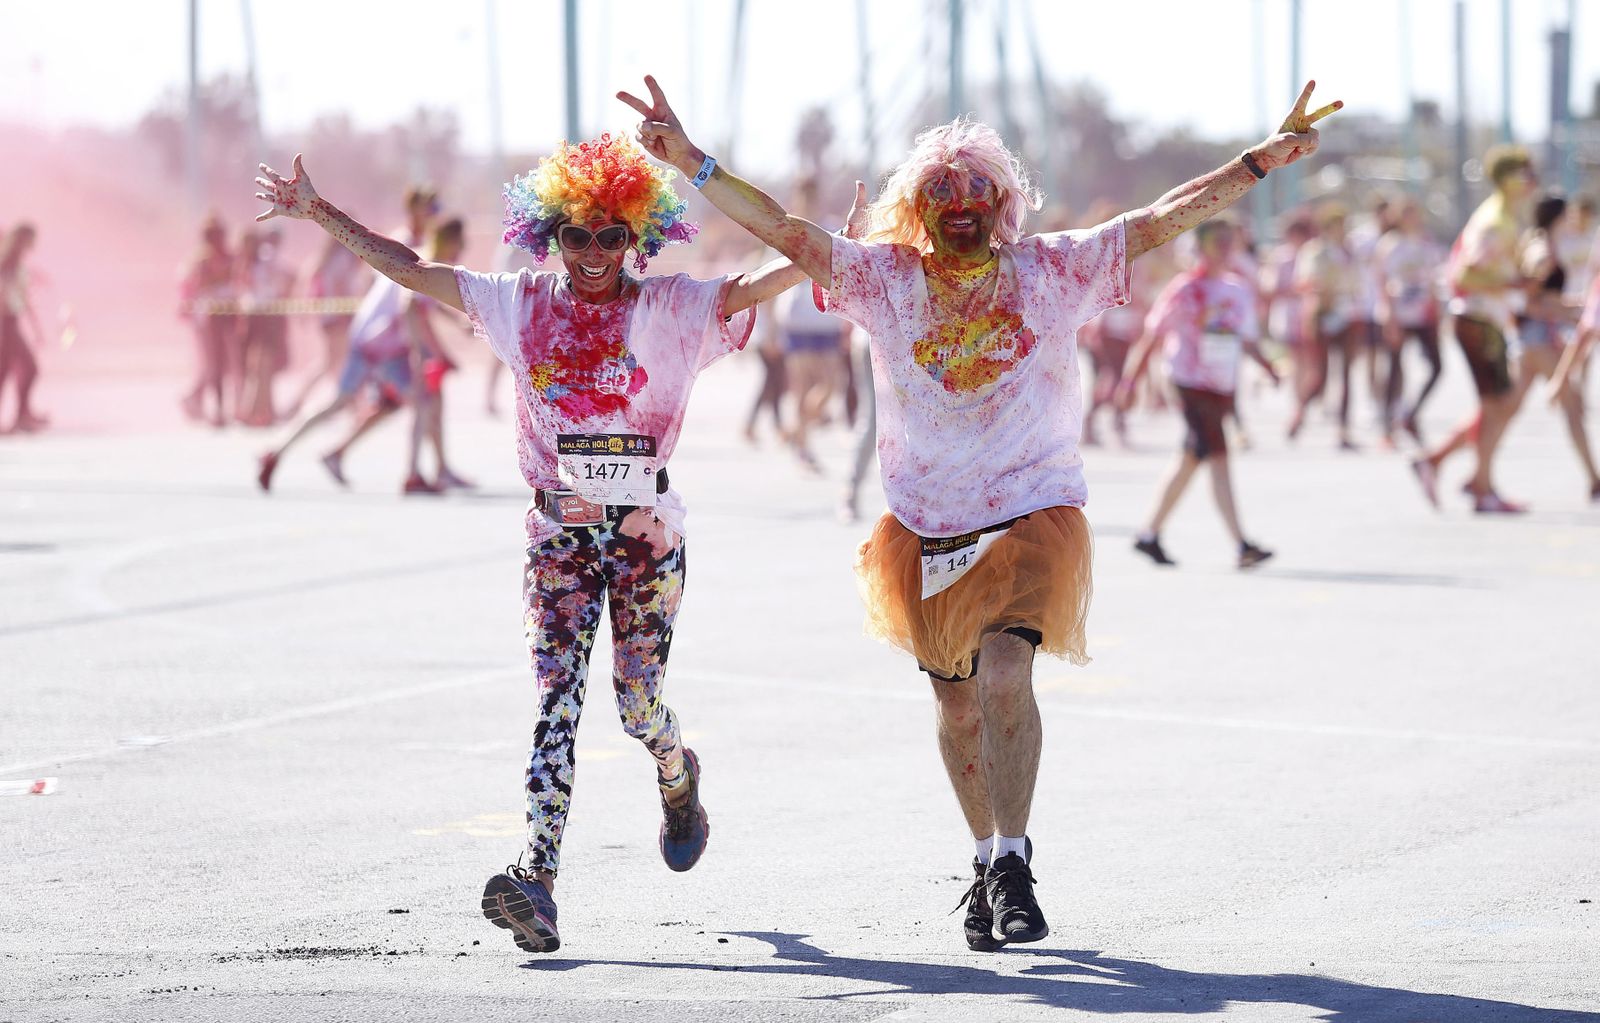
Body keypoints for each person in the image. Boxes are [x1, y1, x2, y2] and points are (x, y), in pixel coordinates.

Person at [618, 74, 1338, 950]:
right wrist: (691, 160)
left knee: (1004, 676)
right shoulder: (880, 280)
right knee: (957, 708)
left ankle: (1013, 862)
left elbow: (1159, 221)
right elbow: (784, 230)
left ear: (1003, 204)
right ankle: (983, 858)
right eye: (940, 195)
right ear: (918, 210)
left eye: (976, 194)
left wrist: (1262, 159)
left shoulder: (1053, 271)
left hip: (1033, 511)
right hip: (925, 524)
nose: (959, 209)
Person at [254, 134, 822, 954]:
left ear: (638, 236)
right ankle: (538, 881)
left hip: (644, 538)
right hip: (556, 534)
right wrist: (320, 213)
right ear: (549, 235)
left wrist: (832, 248)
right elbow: (413, 270)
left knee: (635, 705)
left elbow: (766, 280)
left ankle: (677, 773)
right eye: (577, 236)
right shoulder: (517, 303)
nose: (593, 254)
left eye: (611, 235)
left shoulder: (671, 309)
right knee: (557, 700)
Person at [1119, 217, 1279, 569]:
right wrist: (1130, 383)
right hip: (1189, 382)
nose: (1223, 248)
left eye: (1228, 240)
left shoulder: (1237, 290)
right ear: (1201, 246)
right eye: (1216, 241)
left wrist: (1267, 367)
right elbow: (1152, 336)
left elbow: (1246, 338)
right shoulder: (1184, 289)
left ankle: (1149, 534)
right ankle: (1241, 544)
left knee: (1192, 458)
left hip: (1221, 384)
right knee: (1218, 456)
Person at [1411, 146, 1538, 514]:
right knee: (1496, 405)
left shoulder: (1507, 217)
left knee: (1497, 404)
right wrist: (1515, 285)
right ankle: (1480, 485)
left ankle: (1446, 466)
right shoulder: (1495, 221)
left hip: (1489, 319)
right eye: (1524, 173)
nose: (1531, 181)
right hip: (1477, 320)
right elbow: (1465, 274)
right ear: (1507, 179)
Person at [1511, 193, 1600, 499]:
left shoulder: (1540, 244)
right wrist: (1565, 309)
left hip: (1537, 336)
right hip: (1537, 337)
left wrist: (1573, 308)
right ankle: (1595, 479)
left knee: (1503, 408)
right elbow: (1529, 300)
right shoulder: (1542, 252)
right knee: (1572, 405)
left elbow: (1543, 300)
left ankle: (1441, 459)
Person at [1374, 198, 1445, 445]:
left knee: (1437, 368)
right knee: (1394, 370)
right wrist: (1389, 316)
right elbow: (1382, 282)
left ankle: (1411, 415)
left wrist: (1437, 312)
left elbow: (1435, 279)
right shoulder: (1390, 245)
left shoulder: (1427, 243)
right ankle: (1386, 427)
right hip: (1400, 314)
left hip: (1423, 313)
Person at [1291, 203, 1360, 449]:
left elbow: (1356, 282)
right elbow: (1305, 281)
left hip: (1347, 313)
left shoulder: (1349, 252)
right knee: (1321, 374)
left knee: (1346, 375)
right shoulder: (1315, 251)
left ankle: (1343, 429)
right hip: (1322, 314)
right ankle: (1299, 413)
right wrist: (1322, 295)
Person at [284, 234, 367, 418]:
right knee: (339, 362)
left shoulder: (327, 257)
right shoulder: (343, 257)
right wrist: (345, 315)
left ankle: (346, 403)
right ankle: (349, 404)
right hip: (339, 317)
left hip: (329, 317)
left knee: (333, 362)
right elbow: (339, 286)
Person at [179, 216, 239, 427]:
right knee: (214, 364)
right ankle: (217, 409)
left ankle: (197, 399)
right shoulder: (201, 261)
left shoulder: (230, 257)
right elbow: (195, 287)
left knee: (223, 364)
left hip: (228, 315)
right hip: (208, 318)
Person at [0, 223, 47, 433]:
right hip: (6, 323)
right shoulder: (7, 262)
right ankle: (22, 415)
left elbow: (23, 296)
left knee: (9, 370)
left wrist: (36, 328)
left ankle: (22, 414)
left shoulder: (15, 263)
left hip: (12, 320)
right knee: (27, 368)